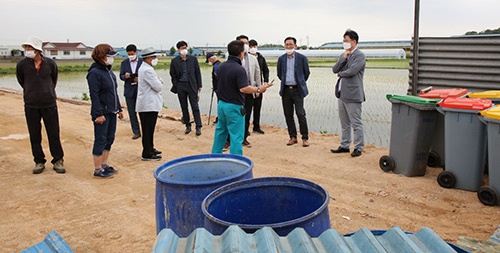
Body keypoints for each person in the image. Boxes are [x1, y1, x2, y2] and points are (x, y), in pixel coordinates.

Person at [16, 36, 66, 174]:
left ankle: (58, 159)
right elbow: (22, 81)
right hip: (31, 104)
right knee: (34, 134)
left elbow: (53, 80)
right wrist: (31, 92)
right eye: (26, 47)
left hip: (49, 103)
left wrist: (47, 92)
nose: (27, 50)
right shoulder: (22, 65)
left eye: (30, 47)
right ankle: (39, 161)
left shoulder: (50, 64)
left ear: (37, 49)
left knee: (53, 133)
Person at [211, 40, 269, 155]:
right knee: (236, 136)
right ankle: (236, 161)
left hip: (222, 105)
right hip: (234, 106)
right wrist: (259, 89)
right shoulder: (239, 69)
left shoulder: (221, 66)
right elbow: (243, 88)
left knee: (220, 132)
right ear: (241, 53)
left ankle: (215, 155)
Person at [87, 44, 123, 178]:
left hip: (112, 111)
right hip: (102, 112)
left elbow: (113, 92)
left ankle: (104, 164)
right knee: (100, 140)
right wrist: (98, 114)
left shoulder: (109, 71)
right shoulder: (94, 73)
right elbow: (94, 95)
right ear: (101, 57)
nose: (111, 59)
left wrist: (119, 108)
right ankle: (97, 169)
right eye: (109, 56)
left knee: (109, 138)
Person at [331, 29, 366, 157]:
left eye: (346, 41)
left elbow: (352, 71)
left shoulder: (360, 55)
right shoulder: (344, 54)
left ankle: (358, 147)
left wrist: (341, 73)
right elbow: (335, 69)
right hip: (342, 94)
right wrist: (343, 59)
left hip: (353, 94)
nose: (344, 43)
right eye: (343, 40)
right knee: (344, 123)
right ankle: (345, 145)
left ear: (354, 41)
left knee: (356, 123)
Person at [277, 36, 310, 147]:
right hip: (286, 90)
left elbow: (306, 73)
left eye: (291, 44)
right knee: (288, 114)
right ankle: (292, 137)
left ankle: (305, 138)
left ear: (295, 46)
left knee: (300, 113)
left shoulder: (302, 58)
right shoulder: (281, 59)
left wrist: (299, 82)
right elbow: (279, 74)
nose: (289, 46)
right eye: (287, 45)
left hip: (297, 90)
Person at [169, 41, 203, 136]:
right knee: (184, 107)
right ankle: (187, 125)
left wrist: (199, 85)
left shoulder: (193, 59)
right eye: (181, 48)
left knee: (195, 106)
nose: (183, 50)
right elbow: (172, 75)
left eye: (185, 47)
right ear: (178, 50)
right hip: (181, 86)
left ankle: (198, 126)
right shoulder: (174, 61)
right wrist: (176, 84)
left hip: (192, 85)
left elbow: (197, 73)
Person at [136, 47, 163, 161]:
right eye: (153, 57)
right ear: (148, 58)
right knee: (147, 129)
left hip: (148, 104)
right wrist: (160, 81)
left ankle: (150, 148)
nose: (155, 59)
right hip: (148, 105)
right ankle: (147, 153)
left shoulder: (145, 68)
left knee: (149, 129)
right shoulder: (147, 70)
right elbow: (158, 87)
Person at [237, 35, 261, 147]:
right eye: (243, 43)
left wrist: (258, 89)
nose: (246, 45)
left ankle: (244, 138)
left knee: (246, 116)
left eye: (246, 43)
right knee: (235, 117)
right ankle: (229, 140)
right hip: (236, 93)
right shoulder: (233, 58)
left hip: (249, 91)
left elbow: (257, 74)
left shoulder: (253, 58)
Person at [119, 44, 143, 140]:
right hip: (129, 90)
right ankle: (136, 131)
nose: (130, 56)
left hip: (140, 90)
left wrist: (140, 79)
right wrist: (125, 76)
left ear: (136, 52)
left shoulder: (142, 62)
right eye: (129, 54)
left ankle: (145, 130)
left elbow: (148, 75)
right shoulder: (124, 63)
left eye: (132, 54)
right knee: (132, 113)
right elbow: (121, 76)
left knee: (142, 111)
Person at [248, 39, 270, 134]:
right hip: (248, 86)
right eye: (251, 46)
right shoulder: (245, 58)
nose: (253, 48)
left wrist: (265, 81)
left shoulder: (261, 58)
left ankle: (256, 126)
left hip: (259, 86)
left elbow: (266, 70)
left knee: (257, 107)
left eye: (254, 46)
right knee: (247, 108)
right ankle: (245, 128)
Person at [206, 52, 221, 124]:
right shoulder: (220, 64)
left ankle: (220, 119)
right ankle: (220, 118)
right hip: (219, 88)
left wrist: (216, 87)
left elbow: (218, 78)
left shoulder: (216, 66)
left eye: (209, 60)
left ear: (211, 59)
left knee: (220, 103)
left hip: (219, 89)